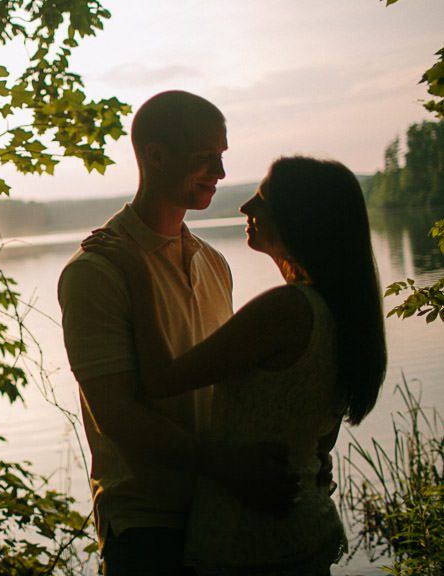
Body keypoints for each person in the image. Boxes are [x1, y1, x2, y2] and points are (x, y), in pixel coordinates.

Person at [82, 156, 387, 575]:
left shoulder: (287, 309)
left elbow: (160, 379)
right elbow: (320, 436)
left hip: (252, 538)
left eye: (261, 199)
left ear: (299, 217)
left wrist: (138, 273)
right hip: (304, 522)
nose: (245, 208)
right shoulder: (342, 313)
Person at [58, 90, 304, 576]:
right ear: (155, 155)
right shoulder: (96, 272)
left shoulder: (215, 264)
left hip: (224, 511)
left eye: (221, 156)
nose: (220, 173)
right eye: (204, 158)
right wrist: (230, 466)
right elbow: (118, 416)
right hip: (149, 529)